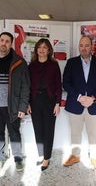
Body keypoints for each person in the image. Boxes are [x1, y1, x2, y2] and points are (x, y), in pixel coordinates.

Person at [0, 32, 30, 172]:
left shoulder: (19, 62)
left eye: (7, 41)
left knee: (14, 133)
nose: (4, 43)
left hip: (12, 107)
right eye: (2, 40)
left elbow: (25, 87)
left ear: (11, 44)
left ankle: (18, 158)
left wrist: (22, 106)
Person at [62, 35, 96, 170]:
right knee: (75, 133)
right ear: (78, 47)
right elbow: (66, 83)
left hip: (93, 104)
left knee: (93, 133)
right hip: (76, 104)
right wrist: (79, 97)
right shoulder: (71, 63)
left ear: (91, 46)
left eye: (87, 45)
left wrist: (93, 98)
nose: (84, 48)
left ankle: (94, 157)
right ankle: (75, 156)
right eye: (81, 45)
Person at [27, 38, 62, 171]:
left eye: (45, 47)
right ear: (36, 49)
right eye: (40, 47)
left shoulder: (54, 65)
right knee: (38, 129)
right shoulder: (32, 65)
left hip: (50, 101)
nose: (42, 50)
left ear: (49, 50)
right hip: (35, 101)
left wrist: (57, 103)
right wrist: (28, 103)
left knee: (48, 129)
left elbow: (59, 85)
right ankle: (41, 154)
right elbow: (28, 86)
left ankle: (46, 158)